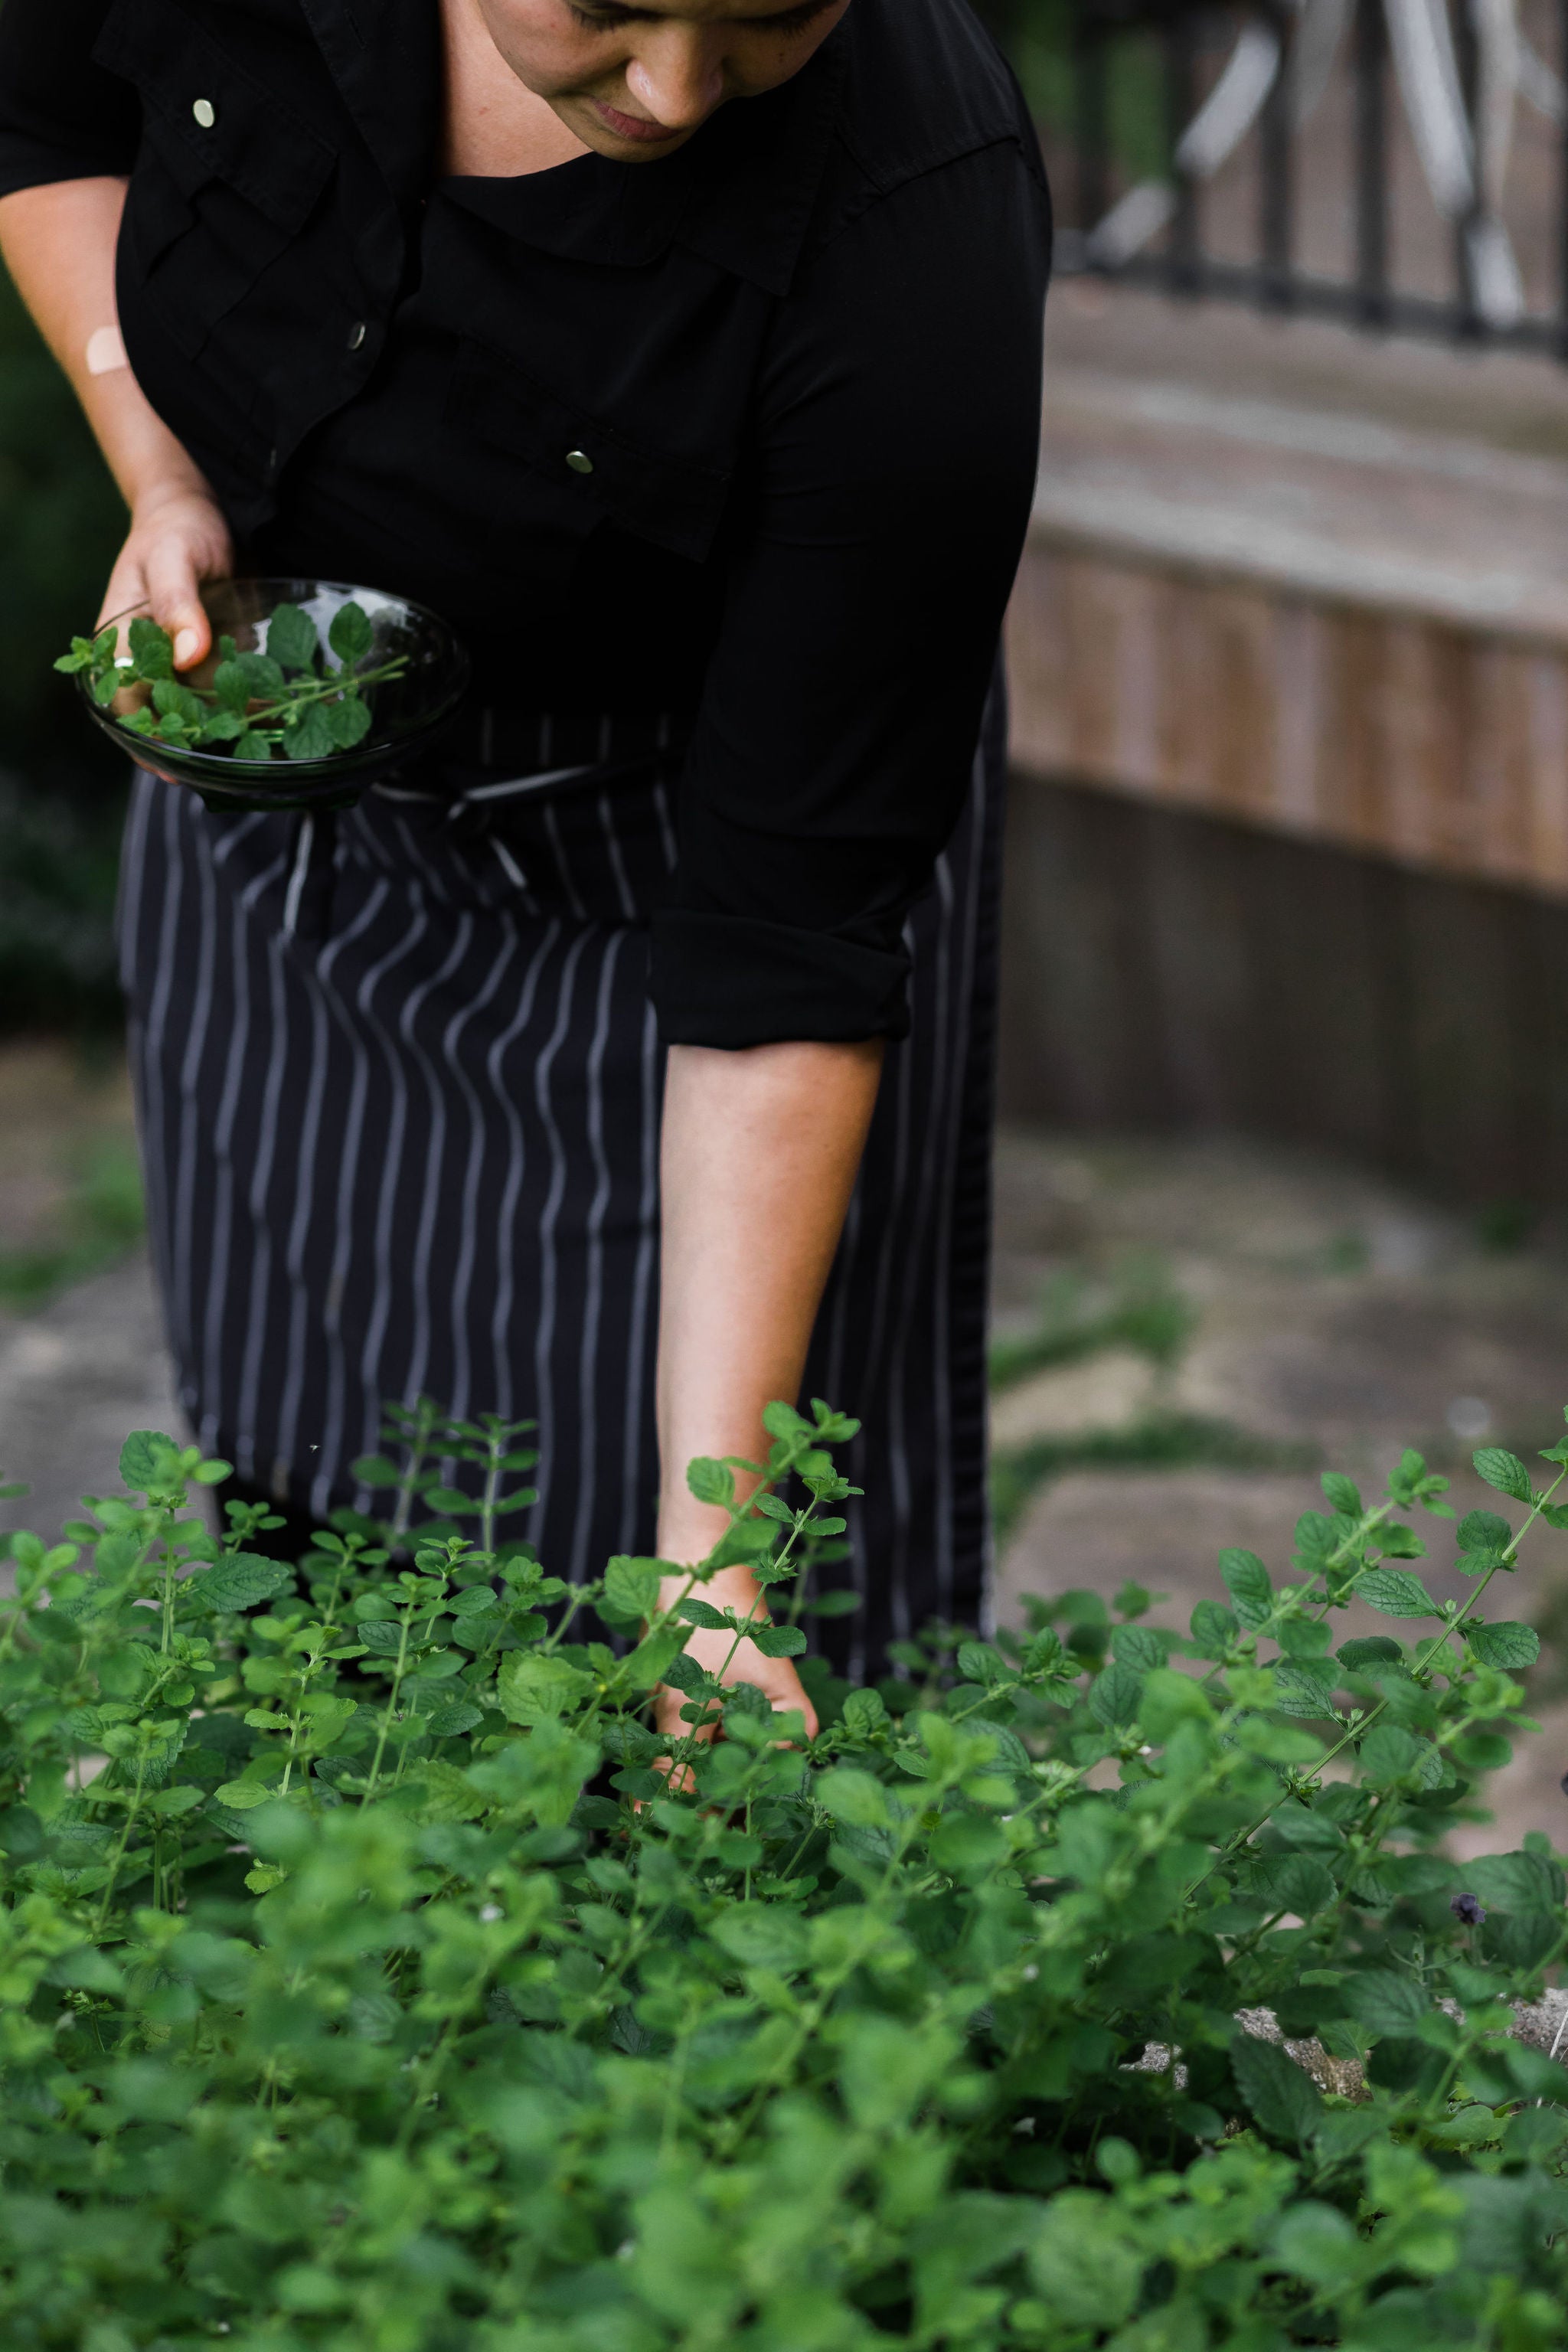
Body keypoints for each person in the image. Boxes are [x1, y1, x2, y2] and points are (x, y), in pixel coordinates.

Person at [0, 0, 1050, 1740]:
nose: (676, 93)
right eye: (610, 5)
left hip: (677, 887)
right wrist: (163, 472)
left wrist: (714, 1564)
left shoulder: (907, 222)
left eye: (771, 15)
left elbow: (783, 941)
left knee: (663, 1660)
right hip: (282, 846)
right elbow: (44, 129)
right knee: (311, 1520)